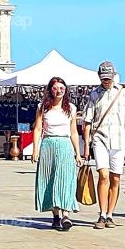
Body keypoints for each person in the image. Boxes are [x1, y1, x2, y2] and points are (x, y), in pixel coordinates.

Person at [83, 61, 125, 229]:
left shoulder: (123, 93)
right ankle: (102, 213)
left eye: (108, 78)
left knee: (115, 178)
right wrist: (86, 146)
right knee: (103, 175)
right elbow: (87, 121)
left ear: (114, 76)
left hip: (119, 140)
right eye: (103, 78)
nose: (106, 81)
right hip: (100, 139)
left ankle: (110, 214)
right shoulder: (94, 95)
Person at [32, 76, 82, 231]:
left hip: (65, 144)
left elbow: (73, 132)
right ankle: (55, 215)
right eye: (55, 88)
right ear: (50, 90)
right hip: (48, 145)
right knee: (50, 179)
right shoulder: (42, 107)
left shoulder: (71, 108)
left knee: (66, 178)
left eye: (61, 88)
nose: (58, 91)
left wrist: (78, 153)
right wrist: (35, 149)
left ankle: (66, 214)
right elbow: (38, 129)